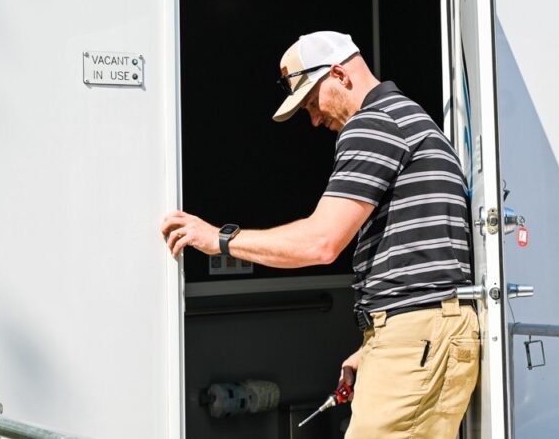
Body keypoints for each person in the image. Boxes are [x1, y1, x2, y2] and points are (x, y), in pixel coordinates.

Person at [160, 30, 479, 438]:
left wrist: (220, 240)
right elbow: (425, 257)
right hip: (422, 333)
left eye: (313, 102)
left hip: (417, 338)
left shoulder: (373, 124)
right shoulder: (410, 119)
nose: (314, 119)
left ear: (338, 74)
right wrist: (376, 345)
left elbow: (321, 243)